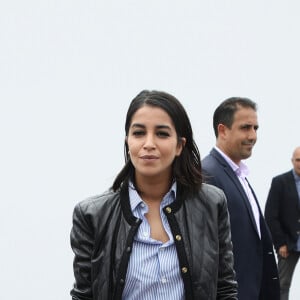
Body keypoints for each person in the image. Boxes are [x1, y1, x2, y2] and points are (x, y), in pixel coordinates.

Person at [70, 90, 238, 300]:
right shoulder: (92, 215)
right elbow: (84, 296)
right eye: (139, 133)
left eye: (162, 133)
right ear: (127, 141)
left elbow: (224, 290)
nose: (149, 143)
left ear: (179, 145)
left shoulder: (212, 204)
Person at [201, 97, 280, 300]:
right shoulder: (208, 174)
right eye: (245, 127)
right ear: (223, 130)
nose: (253, 135)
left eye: (256, 128)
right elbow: (206, 252)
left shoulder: (238, 175)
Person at [264, 146, 300, 300]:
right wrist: (280, 243)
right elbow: (270, 215)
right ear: (292, 160)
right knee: (281, 285)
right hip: (288, 244)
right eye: (298, 160)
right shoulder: (280, 182)